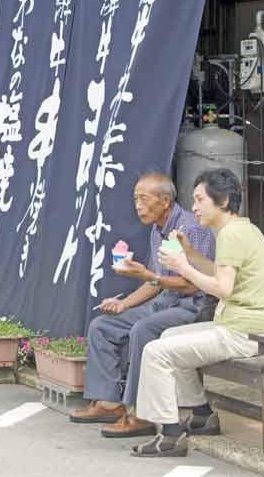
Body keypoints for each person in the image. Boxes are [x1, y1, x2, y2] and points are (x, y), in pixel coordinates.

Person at [132, 168, 264, 457]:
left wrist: (182, 267)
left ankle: (170, 435)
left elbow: (222, 289)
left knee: (156, 351)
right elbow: (219, 274)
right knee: (170, 335)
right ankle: (201, 414)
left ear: (222, 201)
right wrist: (190, 254)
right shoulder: (239, 229)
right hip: (243, 327)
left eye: (200, 199)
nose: (194, 207)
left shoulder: (232, 235)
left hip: (244, 333)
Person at [70, 172, 216, 438]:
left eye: (143, 198)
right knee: (102, 325)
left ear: (165, 202)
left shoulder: (190, 229)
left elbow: (195, 285)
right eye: (135, 198)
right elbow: (155, 283)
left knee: (143, 329)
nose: (137, 205)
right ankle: (109, 402)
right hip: (166, 301)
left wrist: (151, 277)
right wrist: (123, 305)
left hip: (193, 306)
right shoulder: (158, 229)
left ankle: (141, 412)